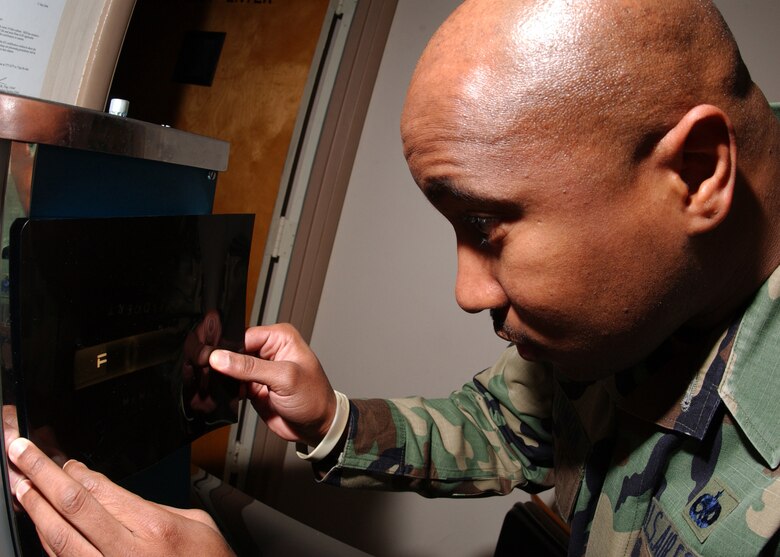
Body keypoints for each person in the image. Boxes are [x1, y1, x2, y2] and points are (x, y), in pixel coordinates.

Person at [5, 0, 780, 554]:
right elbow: (515, 426)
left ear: (698, 172)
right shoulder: (631, 304)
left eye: (486, 227)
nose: (469, 291)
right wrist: (333, 421)